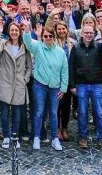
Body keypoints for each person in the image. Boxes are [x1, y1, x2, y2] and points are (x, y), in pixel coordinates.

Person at [22, 23, 67, 151]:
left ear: (54, 37)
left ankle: (54, 139)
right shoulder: (38, 47)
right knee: (39, 112)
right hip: (40, 84)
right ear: (42, 37)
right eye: (45, 36)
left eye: (50, 36)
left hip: (55, 87)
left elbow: (64, 70)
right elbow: (28, 42)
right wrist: (27, 30)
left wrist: (63, 88)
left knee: (53, 113)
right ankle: (36, 137)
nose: (48, 38)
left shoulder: (60, 52)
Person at [68, 24, 102, 151]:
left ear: (94, 34)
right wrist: (72, 85)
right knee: (82, 113)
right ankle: (83, 137)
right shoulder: (75, 47)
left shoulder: (98, 47)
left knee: (99, 113)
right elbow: (71, 67)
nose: (88, 35)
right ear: (81, 34)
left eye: (91, 33)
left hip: (96, 84)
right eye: (86, 33)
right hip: (81, 85)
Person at [0, 22, 32, 150]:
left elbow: (29, 65)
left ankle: (15, 135)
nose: (14, 32)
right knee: (4, 111)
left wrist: (26, 78)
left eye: (16, 30)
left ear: (19, 32)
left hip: (19, 82)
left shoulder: (24, 46)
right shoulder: (4, 43)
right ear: (9, 32)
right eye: (12, 30)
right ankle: (6, 136)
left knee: (17, 112)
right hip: (5, 81)